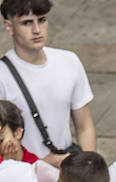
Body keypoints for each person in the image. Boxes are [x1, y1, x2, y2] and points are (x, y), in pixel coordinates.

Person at [0, 0, 96, 164]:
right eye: (27, 23)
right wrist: (44, 163)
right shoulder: (2, 74)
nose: (37, 30)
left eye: (42, 20)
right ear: (9, 27)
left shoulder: (69, 61)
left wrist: (88, 168)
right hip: (22, 177)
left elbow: (85, 126)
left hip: (66, 173)